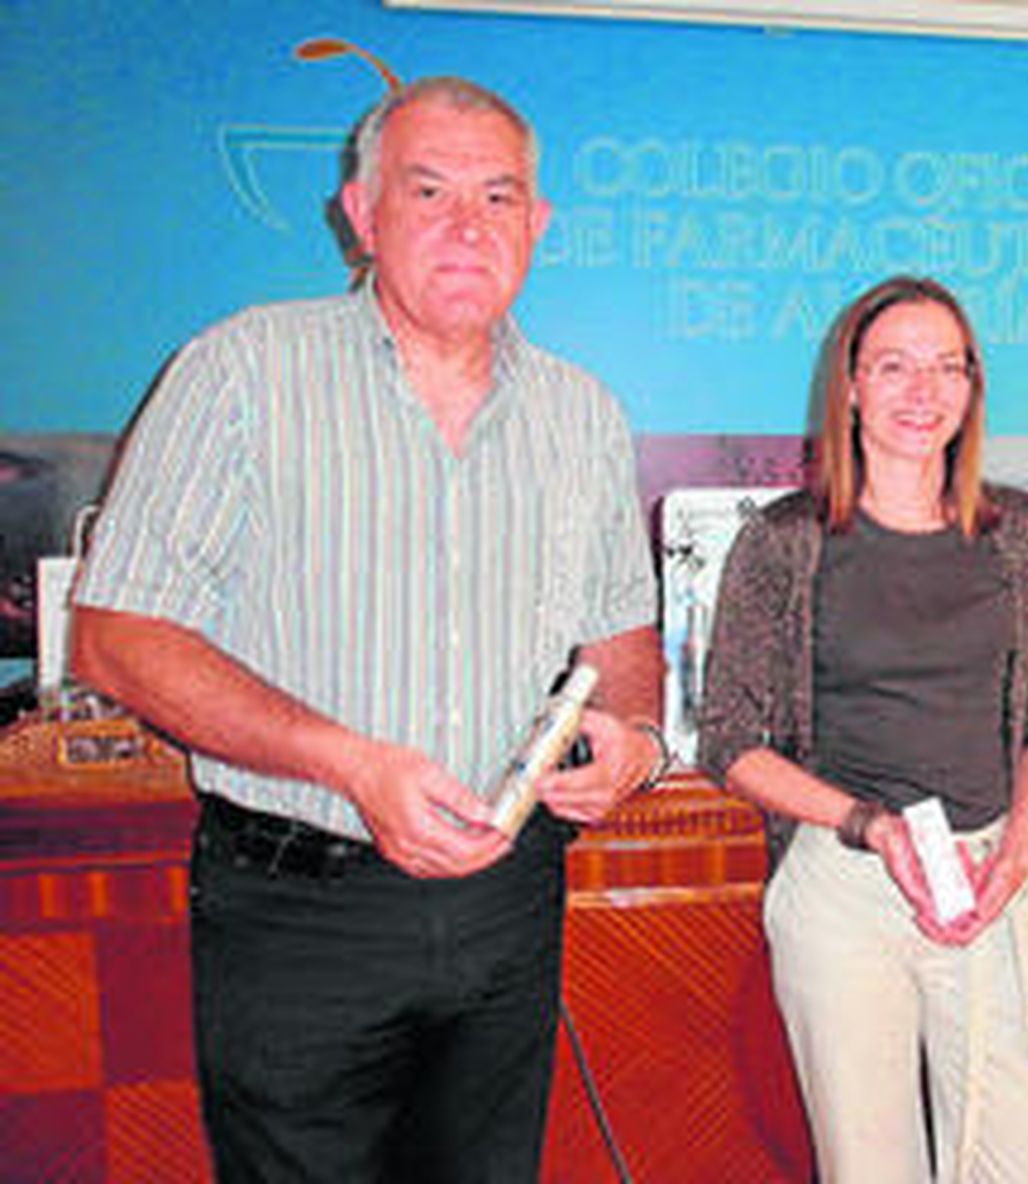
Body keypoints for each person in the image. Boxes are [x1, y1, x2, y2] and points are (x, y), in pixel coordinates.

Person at [70, 77, 668, 1182]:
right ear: (361, 211)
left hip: (507, 907)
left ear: (537, 225)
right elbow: (117, 634)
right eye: (427, 188)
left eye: (498, 197)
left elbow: (622, 642)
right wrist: (348, 762)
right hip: (302, 911)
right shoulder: (243, 370)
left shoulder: (581, 413)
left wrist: (630, 736)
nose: (465, 224)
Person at [698, 275, 1028, 1183]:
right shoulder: (786, 540)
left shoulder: (1021, 532)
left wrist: (1020, 850)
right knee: (870, 1167)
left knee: (1027, 1165)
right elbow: (730, 739)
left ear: (973, 388)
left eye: (948, 367)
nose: (923, 390)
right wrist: (872, 824)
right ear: (852, 386)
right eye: (895, 366)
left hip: (987, 874)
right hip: (846, 885)